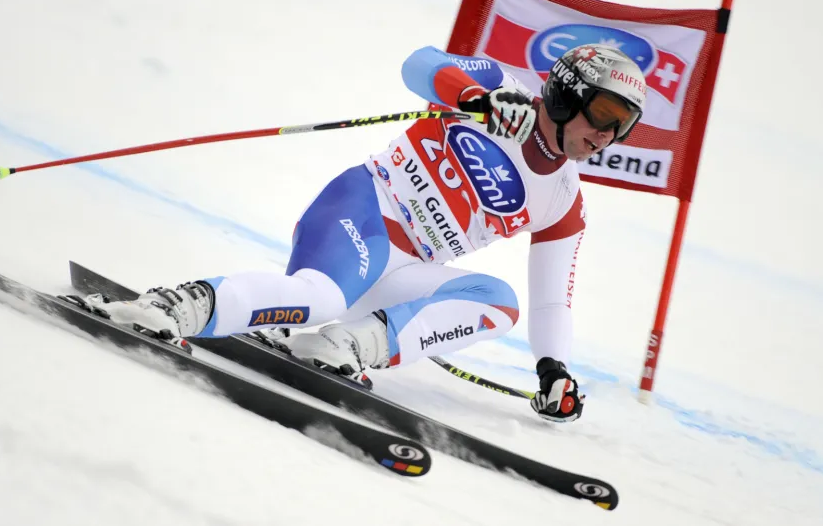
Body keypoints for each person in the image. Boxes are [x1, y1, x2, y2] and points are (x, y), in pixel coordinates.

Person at [75, 43, 647, 423]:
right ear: (568, 93)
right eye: (602, 113)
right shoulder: (504, 85)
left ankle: (344, 346)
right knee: (320, 294)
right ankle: (173, 306)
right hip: (364, 211)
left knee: (500, 303)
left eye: (622, 125)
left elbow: (553, 296)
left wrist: (554, 369)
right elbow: (420, 65)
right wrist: (475, 98)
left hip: (403, 270)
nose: (607, 134)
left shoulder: (565, 198)